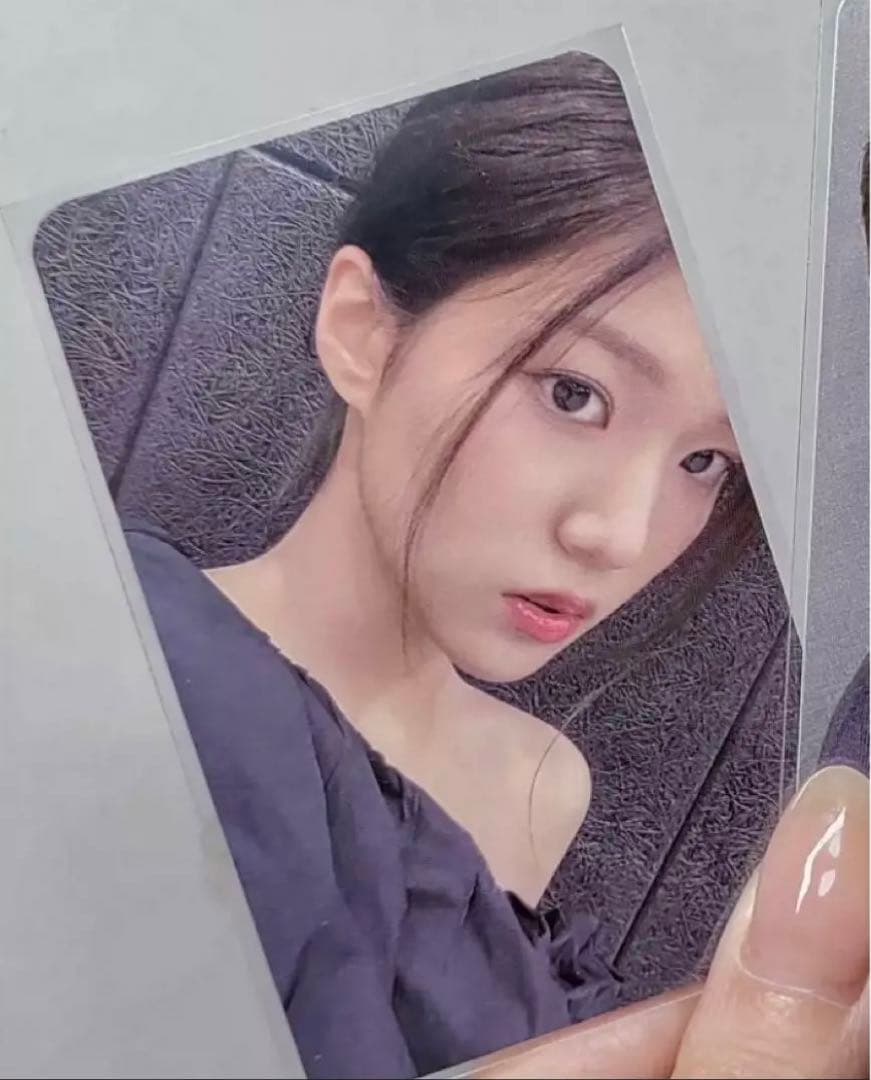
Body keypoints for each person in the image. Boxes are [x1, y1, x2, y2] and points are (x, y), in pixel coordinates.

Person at [125, 52, 806, 1079]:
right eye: (573, 393)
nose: (618, 535)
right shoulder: (134, 669)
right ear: (363, 332)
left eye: (705, 461)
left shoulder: (540, 783)